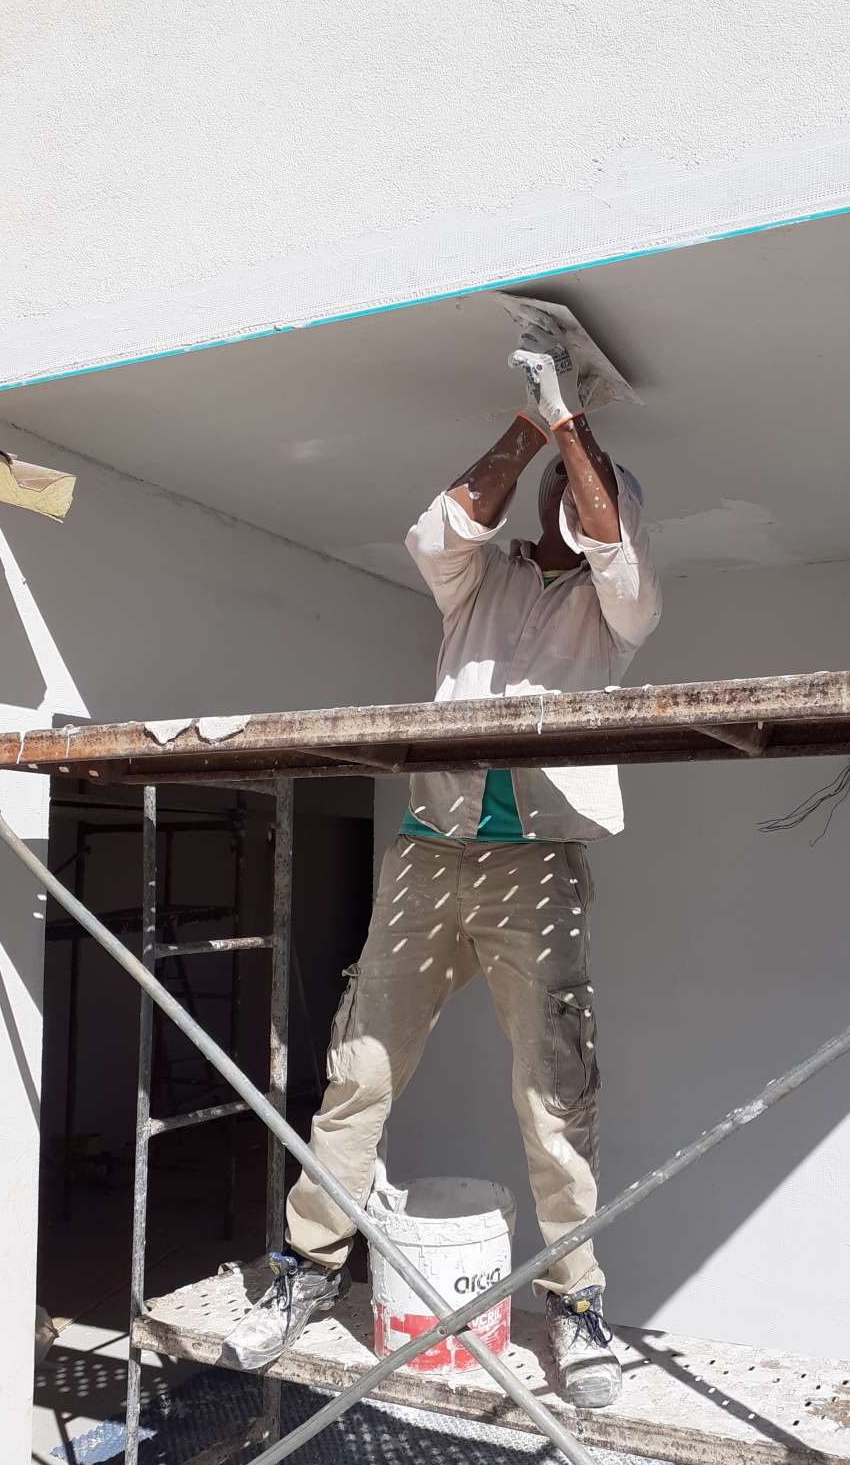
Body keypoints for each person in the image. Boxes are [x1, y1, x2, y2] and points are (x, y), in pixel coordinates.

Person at [225, 329, 662, 1407]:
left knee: (554, 1093)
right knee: (361, 1068)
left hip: (537, 863)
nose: (566, 509)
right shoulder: (479, 584)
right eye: (559, 491)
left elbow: (609, 544)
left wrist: (574, 420)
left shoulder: (624, 607)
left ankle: (579, 1307)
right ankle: (305, 1268)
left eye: (584, 494)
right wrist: (529, 423)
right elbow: (440, 525)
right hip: (430, 852)